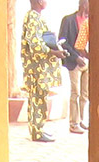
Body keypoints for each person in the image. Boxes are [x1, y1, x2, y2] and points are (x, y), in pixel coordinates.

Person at [20, 0, 65, 142]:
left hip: (39, 69)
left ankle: (38, 130)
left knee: (39, 98)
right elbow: (35, 45)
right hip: (36, 69)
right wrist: (53, 52)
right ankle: (37, 132)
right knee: (37, 98)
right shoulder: (33, 17)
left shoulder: (35, 17)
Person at [58, 0, 90, 134]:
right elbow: (63, 42)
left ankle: (81, 120)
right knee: (75, 93)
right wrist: (76, 57)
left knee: (85, 94)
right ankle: (73, 123)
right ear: (83, 4)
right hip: (75, 63)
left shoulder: (90, 21)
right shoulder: (69, 20)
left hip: (87, 62)